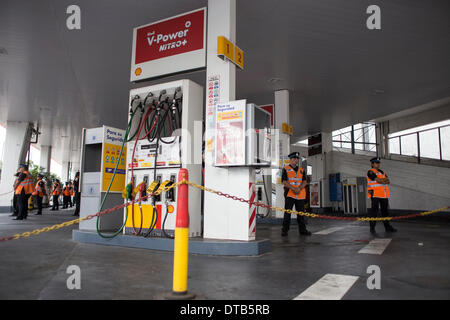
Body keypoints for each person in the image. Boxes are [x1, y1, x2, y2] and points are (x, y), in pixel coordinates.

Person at [281, 152, 311, 236]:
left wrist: (299, 188)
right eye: (294, 159)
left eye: (297, 159)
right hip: (290, 194)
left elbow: (305, 181)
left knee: (301, 213)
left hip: (300, 194)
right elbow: (284, 182)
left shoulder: (301, 170)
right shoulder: (285, 169)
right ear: (290, 159)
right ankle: (285, 230)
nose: (296, 160)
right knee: (287, 213)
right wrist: (294, 188)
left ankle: (303, 230)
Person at [367, 157, 397, 234]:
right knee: (374, 212)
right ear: (372, 164)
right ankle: (372, 228)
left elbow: (388, 181)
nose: (378, 164)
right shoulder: (370, 172)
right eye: (376, 163)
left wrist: (382, 180)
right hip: (375, 195)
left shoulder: (382, 172)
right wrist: (382, 180)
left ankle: (387, 227)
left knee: (385, 212)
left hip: (384, 195)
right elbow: (378, 180)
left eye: (378, 163)